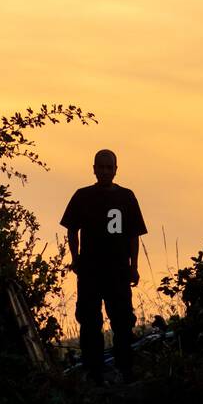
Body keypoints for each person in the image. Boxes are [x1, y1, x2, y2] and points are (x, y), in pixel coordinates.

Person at [60, 149, 147, 385]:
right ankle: (94, 372)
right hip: (90, 270)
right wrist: (76, 259)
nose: (105, 171)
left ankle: (125, 370)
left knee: (122, 321)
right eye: (101, 167)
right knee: (90, 321)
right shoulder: (82, 196)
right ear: (94, 169)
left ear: (116, 169)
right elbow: (71, 229)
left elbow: (133, 235)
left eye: (110, 167)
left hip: (118, 270)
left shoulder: (127, 197)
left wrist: (134, 266)